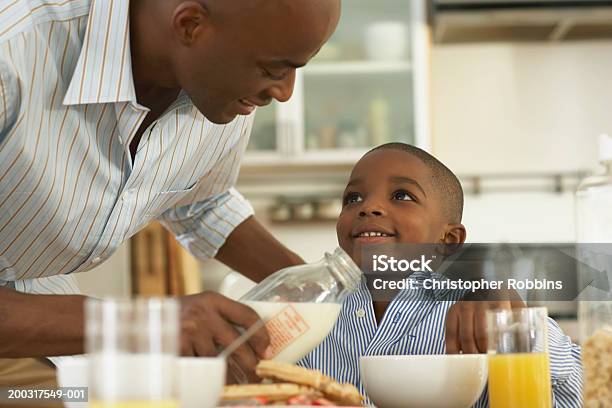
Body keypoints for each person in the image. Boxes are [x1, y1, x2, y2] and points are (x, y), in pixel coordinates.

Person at [0, 0, 340, 389]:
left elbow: (202, 203)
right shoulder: (12, 51)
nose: (283, 93)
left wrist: (332, 297)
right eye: (272, 69)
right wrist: (146, 324)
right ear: (191, 25)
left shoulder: (219, 86)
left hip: (48, 353)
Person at [298, 143, 583, 407]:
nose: (367, 207)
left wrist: (513, 316)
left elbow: (583, 388)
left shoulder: (478, 306)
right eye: (353, 198)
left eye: (401, 196)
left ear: (448, 239)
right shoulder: (311, 311)